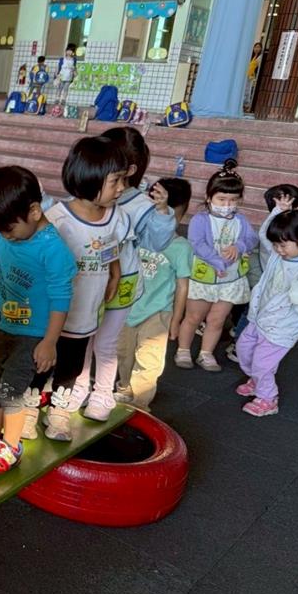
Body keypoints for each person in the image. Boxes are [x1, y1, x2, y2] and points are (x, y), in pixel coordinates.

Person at [0, 165, 76, 467]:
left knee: (12, 391)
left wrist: (50, 342)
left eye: (8, 229)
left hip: (31, 335)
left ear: (34, 211)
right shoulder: (4, 237)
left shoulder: (53, 250)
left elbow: (61, 298)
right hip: (0, 326)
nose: (4, 236)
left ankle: (11, 445)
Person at [68, 126, 176, 421]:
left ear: (129, 169)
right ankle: (78, 387)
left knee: (105, 342)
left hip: (121, 281)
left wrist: (163, 213)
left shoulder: (139, 205)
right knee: (82, 336)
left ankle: (102, 393)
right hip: (89, 279)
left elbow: (156, 242)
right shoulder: (90, 196)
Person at [38, 136, 129, 440]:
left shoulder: (115, 216)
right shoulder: (58, 218)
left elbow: (110, 246)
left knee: (72, 366)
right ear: (90, 178)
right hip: (53, 313)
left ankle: (59, 412)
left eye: (123, 180)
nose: (122, 188)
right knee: (41, 362)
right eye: (115, 181)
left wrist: (115, 274)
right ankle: (28, 407)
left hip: (87, 312)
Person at [236, 208, 298, 416]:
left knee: (263, 363)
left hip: (284, 325)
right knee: (244, 348)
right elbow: (265, 235)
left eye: (282, 245)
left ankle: (268, 398)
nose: (278, 249)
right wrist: (279, 210)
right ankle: (257, 380)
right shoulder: (279, 253)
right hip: (260, 315)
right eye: (276, 245)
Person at [115, 178, 193, 410]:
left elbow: (182, 285)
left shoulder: (181, 247)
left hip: (158, 312)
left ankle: (140, 403)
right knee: (123, 352)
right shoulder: (138, 236)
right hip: (127, 307)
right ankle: (124, 387)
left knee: (149, 359)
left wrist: (176, 319)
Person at [175, 159, 258, 372]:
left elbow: (251, 238)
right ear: (208, 197)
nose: (227, 205)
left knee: (217, 320)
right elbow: (197, 243)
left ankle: (206, 353)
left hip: (230, 280)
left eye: (233, 200)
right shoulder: (200, 219)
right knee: (193, 317)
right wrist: (217, 261)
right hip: (204, 278)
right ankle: (183, 349)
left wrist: (239, 246)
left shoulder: (241, 220)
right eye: (221, 199)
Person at [226, 183, 298, 363]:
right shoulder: (274, 233)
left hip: (281, 288)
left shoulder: (295, 229)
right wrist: (279, 212)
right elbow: (263, 234)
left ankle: (245, 340)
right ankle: (239, 345)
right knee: (252, 315)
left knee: (261, 316)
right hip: (268, 285)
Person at [244, 41, 262, 112]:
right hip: (248, 76)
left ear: (261, 49)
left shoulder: (260, 57)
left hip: (252, 77)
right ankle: (245, 105)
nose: (256, 49)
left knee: (248, 91)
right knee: (246, 90)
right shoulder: (252, 56)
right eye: (255, 47)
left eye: (258, 47)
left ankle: (247, 105)